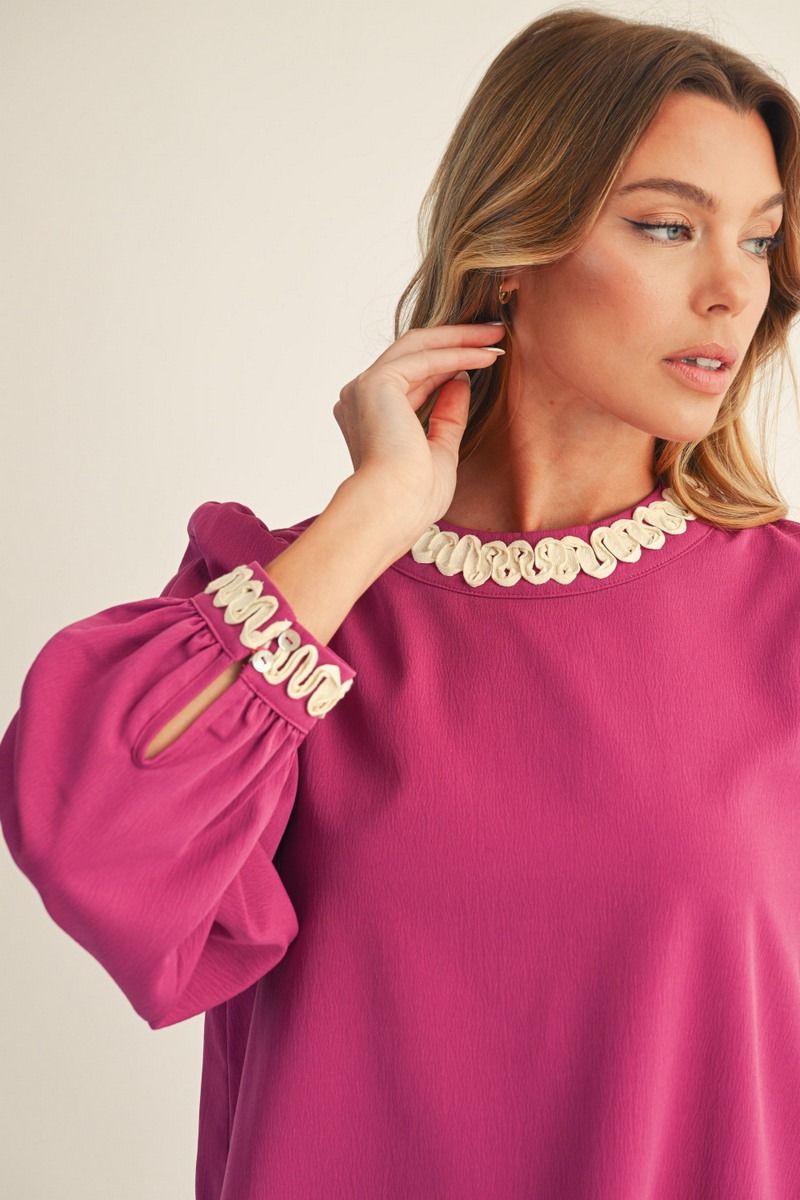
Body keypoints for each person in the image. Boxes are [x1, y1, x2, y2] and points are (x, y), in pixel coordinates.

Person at [2, 6, 800, 1198]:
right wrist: (374, 518)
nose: (731, 290)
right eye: (664, 226)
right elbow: (93, 840)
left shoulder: (781, 618)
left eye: (760, 240)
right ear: (515, 243)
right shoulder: (286, 610)